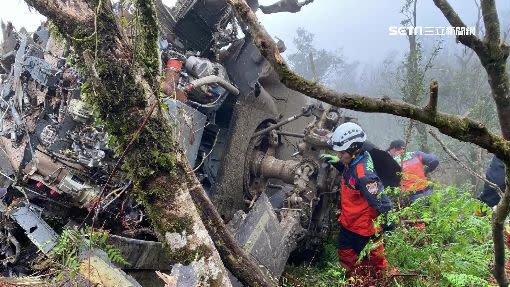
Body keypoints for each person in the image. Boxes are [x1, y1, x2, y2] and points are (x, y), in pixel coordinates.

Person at [320, 122, 393, 278]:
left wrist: (388, 223)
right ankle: (356, 278)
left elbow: (382, 201)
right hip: (349, 221)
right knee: (346, 254)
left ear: (354, 149)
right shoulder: (354, 159)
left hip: (363, 228)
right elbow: (351, 175)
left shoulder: (364, 175)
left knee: (375, 261)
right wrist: (339, 164)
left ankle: (376, 280)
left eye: (341, 153)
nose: (339, 155)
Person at [387, 140, 439, 204]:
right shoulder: (416, 154)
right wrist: (426, 171)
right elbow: (434, 160)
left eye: (390, 150)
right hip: (428, 193)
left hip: (411, 198)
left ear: (394, 149)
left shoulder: (391, 163)